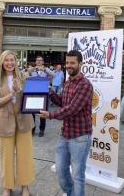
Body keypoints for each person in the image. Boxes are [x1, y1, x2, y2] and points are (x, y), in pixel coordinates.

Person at [40, 50, 93, 196]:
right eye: (67, 63)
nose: (68, 66)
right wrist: (50, 92)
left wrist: (50, 115)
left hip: (80, 136)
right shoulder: (68, 82)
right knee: (61, 170)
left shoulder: (85, 85)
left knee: (77, 176)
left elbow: (72, 109)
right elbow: (62, 103)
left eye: (72, 63)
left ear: (80, 64)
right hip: (65, 134)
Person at [0, 50, 35, 196]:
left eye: (12, 60)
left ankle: (25, 186)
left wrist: (21, 91)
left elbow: (30, 98)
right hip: (5, 122)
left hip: (24, 121)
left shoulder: (24, 76)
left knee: (25, 155)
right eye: (6, 60)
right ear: (2, 63)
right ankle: (7, 186)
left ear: (16, 62)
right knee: (6, 156)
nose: (10, 63)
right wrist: (12, 93)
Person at [28, 55, 53, 137]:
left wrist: (45, 69)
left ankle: (42, 130)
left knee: (42, 113)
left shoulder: (46, 70)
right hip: (33, 94)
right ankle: (32, 129)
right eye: (37, 60)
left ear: (42, 62)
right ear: (35, 62)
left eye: (40, 60)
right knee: (32, 114)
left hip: (43, 95)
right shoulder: (32, 70)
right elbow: (22, 75)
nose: (39, 62)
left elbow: (54, 75)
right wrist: (28, 70)